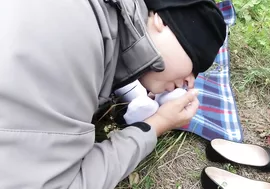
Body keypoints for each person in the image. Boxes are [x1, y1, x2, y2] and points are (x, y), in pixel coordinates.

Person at [0, 0, 226, 188]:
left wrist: (131, 86)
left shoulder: (96, 16)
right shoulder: (78, 44)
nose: (190, 81)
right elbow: (61, 184)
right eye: (196, 61)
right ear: (160, 21)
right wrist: (155, 125)